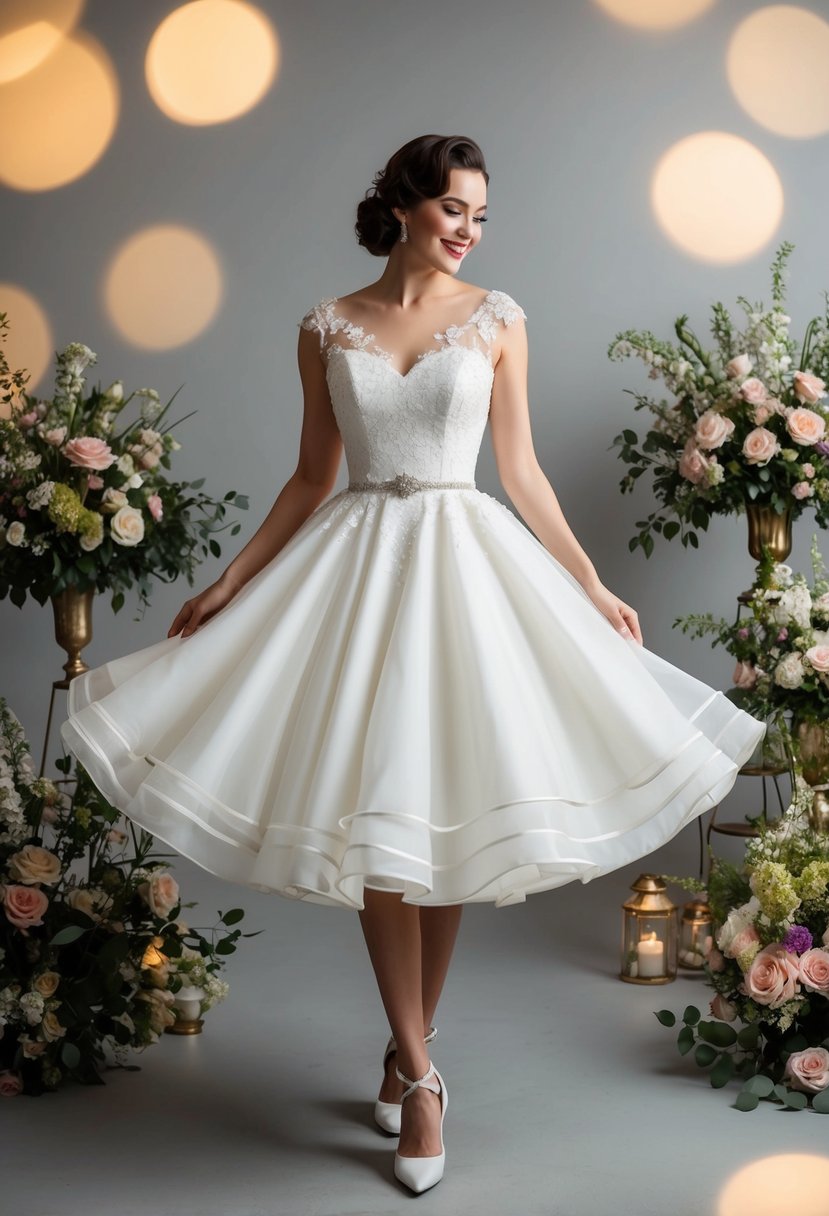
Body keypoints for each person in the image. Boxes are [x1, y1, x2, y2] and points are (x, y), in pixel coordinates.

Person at [61, 133, 766, 1195]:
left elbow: (520, 471)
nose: (470, 228)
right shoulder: (324, 325)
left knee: (436, 822)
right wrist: (230, 581)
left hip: (464, 567)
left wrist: (584, 579)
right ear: (401, 205)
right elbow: (308, 478)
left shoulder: (498, 319)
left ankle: (405, 1045)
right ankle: (426, 1077)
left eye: (481, 213)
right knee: (383, 831)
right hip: (353, 572)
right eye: (453, 208)